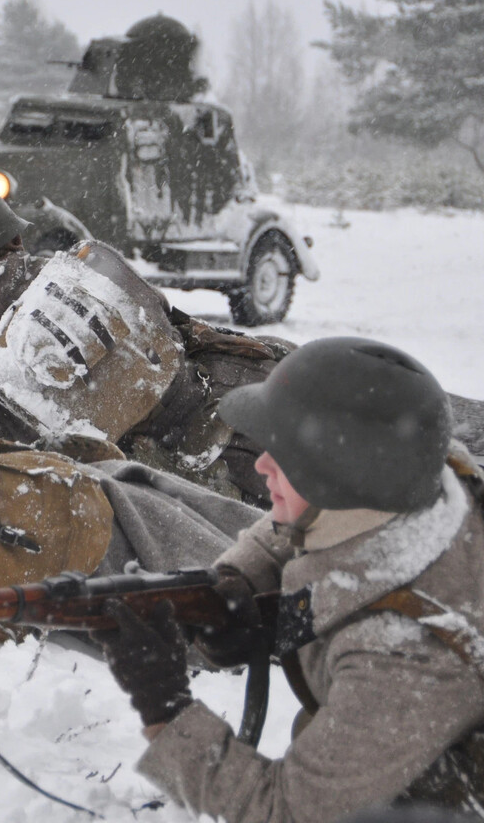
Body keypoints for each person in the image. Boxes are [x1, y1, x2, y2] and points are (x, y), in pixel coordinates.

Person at [95, 336, 484, 822]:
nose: (261, 465)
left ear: (337, 480)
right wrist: (234, 584)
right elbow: (296, 522)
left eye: (286, 458)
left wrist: (165, 708)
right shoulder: (423, 483)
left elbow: (284, 812)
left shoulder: (403, 653)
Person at [0, 180, 291, 505]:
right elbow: (170, 320)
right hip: (246, 405)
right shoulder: (88, 264)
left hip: (184, 486)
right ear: (15, 238)